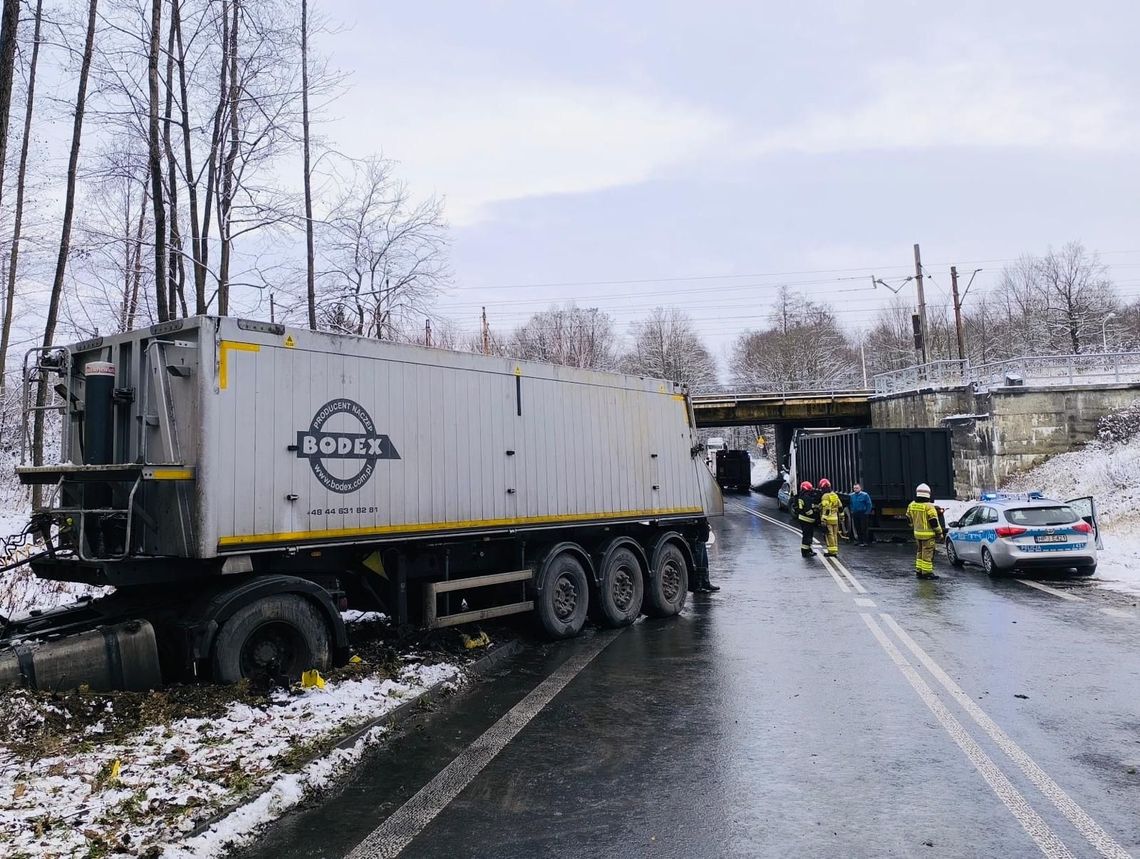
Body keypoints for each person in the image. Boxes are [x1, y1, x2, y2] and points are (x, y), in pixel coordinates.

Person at [907, 483, 944, 579]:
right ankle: (927, 573)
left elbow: (908, 518)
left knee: (919, 552)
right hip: (928, 535)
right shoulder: (929, 506)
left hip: (917, 534)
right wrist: (939, 533)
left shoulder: (912, 505)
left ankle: (919, 571)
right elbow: (934, 522)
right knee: (927, 553)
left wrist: (913, 526)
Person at [793, 481, 819, 557]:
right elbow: (808, 511)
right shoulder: (806, 498)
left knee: (807, 535)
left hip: (802, 519)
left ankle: (808, 550)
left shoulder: (801, 496)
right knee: (807, 536)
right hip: (807, 520)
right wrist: (815, 516)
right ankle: (805, 552)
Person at [818, 478, 841, 557]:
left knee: (829, 535)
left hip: (828, 519)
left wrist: (823, 519)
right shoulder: (834, 495)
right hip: (835, 519)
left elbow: (827, 508)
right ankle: (835, 550)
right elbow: (840, 506)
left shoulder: (825, 496)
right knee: (835, 535)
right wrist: (841, 516)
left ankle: (832, 552)